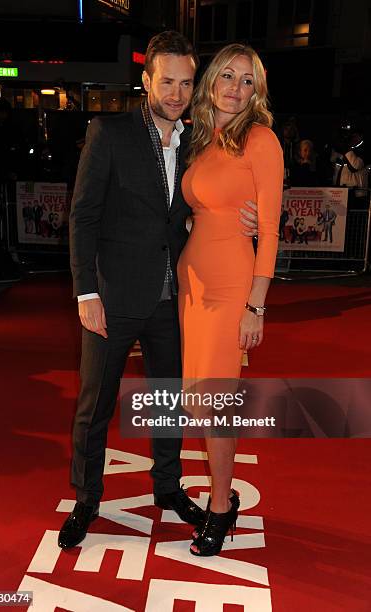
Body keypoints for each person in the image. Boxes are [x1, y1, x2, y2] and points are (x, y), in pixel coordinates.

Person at [60, 31, 259, 550]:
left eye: (186, 82)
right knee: (95, 403)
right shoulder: (109, 133)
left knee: (167, 401)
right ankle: (86, 499)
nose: (176, 91)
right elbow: (82, 217)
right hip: (113, 295)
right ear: (146, 81)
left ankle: (168, 488)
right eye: (166, 80)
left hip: (175, 299)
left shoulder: (198, 141)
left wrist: (244, 216)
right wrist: (87, 294)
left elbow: (204, 204)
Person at [178, 43, 283, 556]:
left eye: (248, 81)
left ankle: (222, 504)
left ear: (256, 92)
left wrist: (255, 305)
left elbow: (270, 229)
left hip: (230, 288)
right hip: (192, 288)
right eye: (228, 75)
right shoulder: (200, 138)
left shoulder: (260, 139)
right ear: (211, 81)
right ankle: (221, 496)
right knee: (199, 402)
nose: (235, 88)